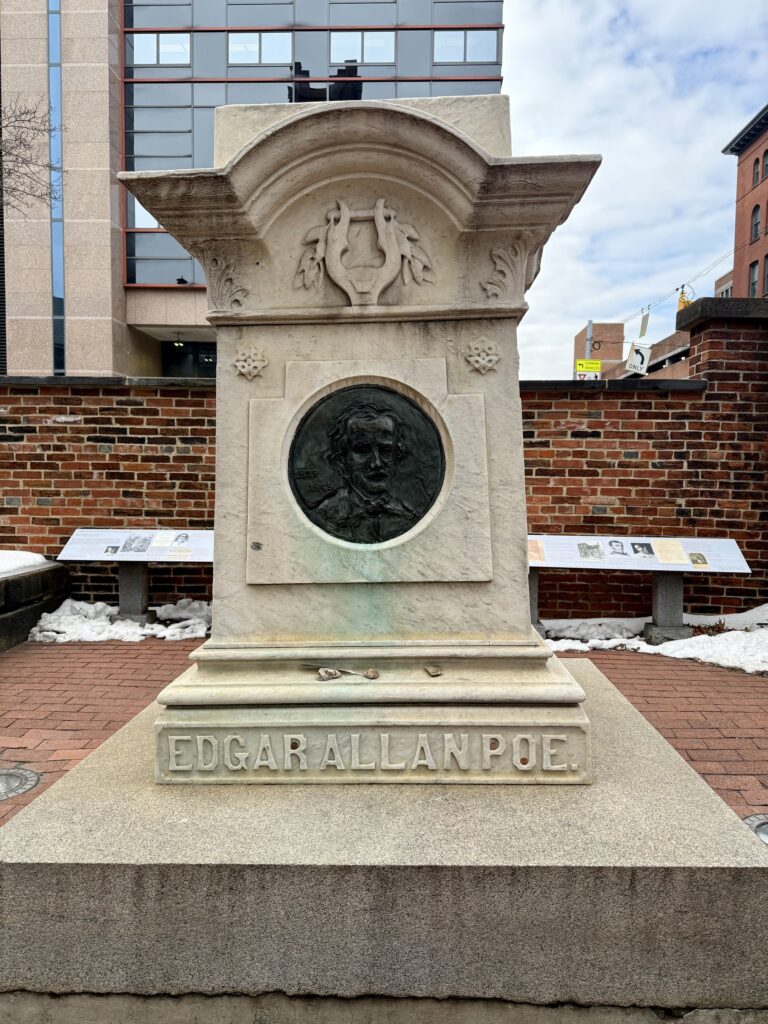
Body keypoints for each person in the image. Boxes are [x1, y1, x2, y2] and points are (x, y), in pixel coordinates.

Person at [311, 402, 417, 543]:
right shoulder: (325, 516)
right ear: (341, 459)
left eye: (385, 450)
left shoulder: (406, 517)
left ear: (397, 456)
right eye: (362, 450)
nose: (376, 463)